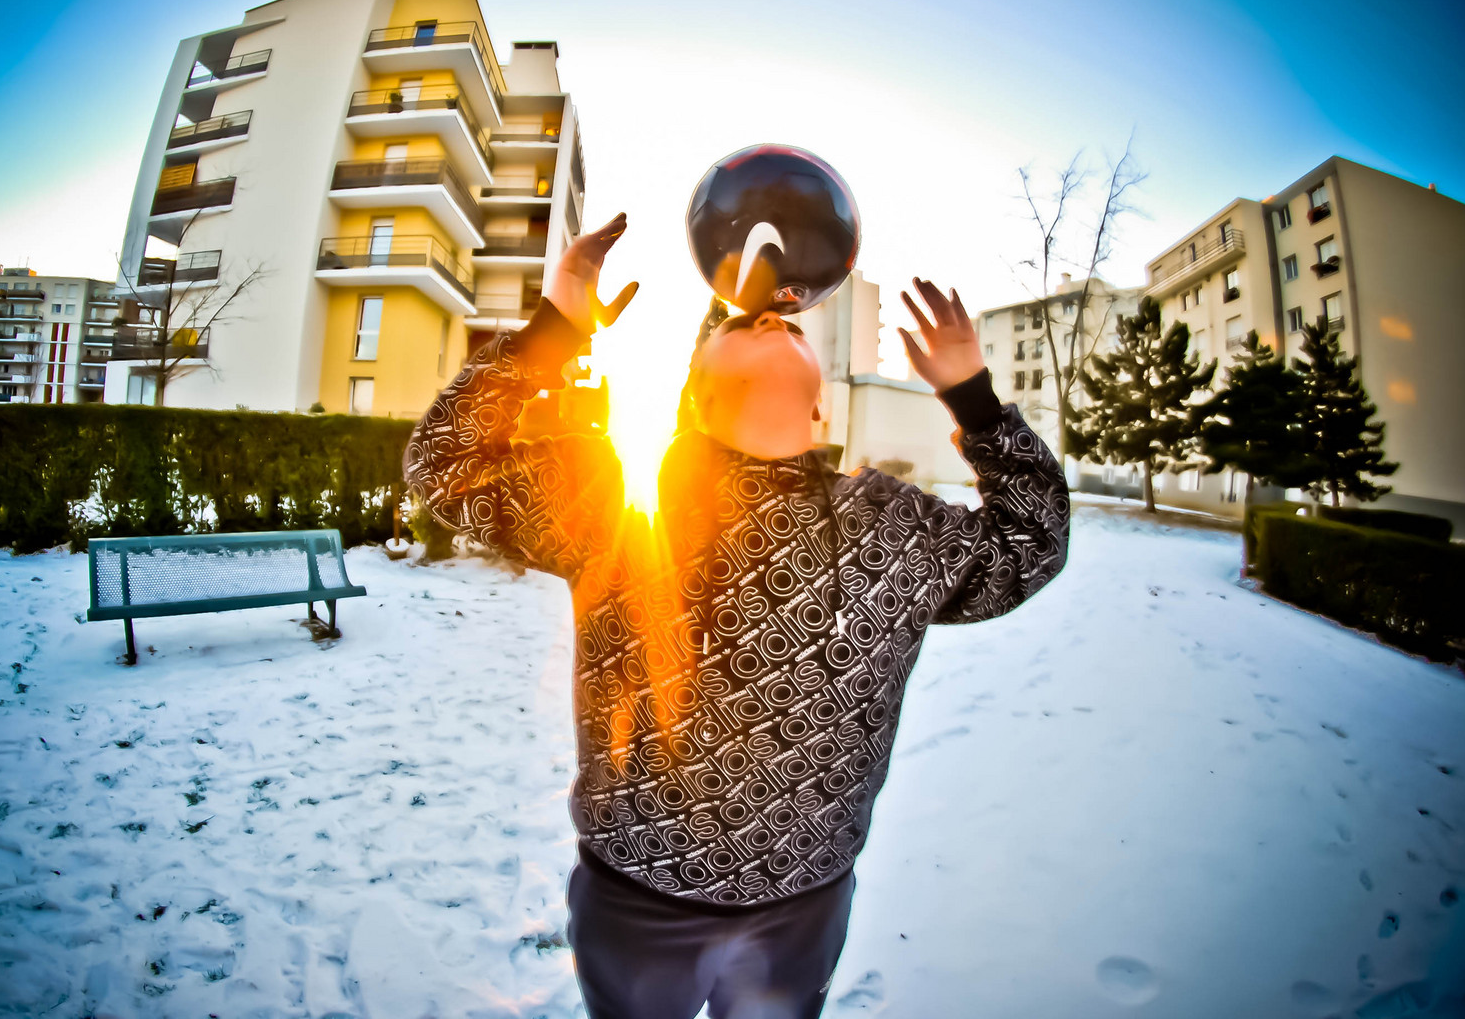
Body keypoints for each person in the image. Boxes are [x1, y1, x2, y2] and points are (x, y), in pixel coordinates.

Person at [405, 212, 1069, 1018]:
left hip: (801, 910)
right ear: (694, 398)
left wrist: (971, 395)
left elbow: (1030, 543)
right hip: (634, 901)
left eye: (788, 328)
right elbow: (443, 465)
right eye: (726, 320)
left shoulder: (896, 526)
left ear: (821, 411)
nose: (759, 313)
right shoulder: (612, 507)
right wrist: (553, 329)